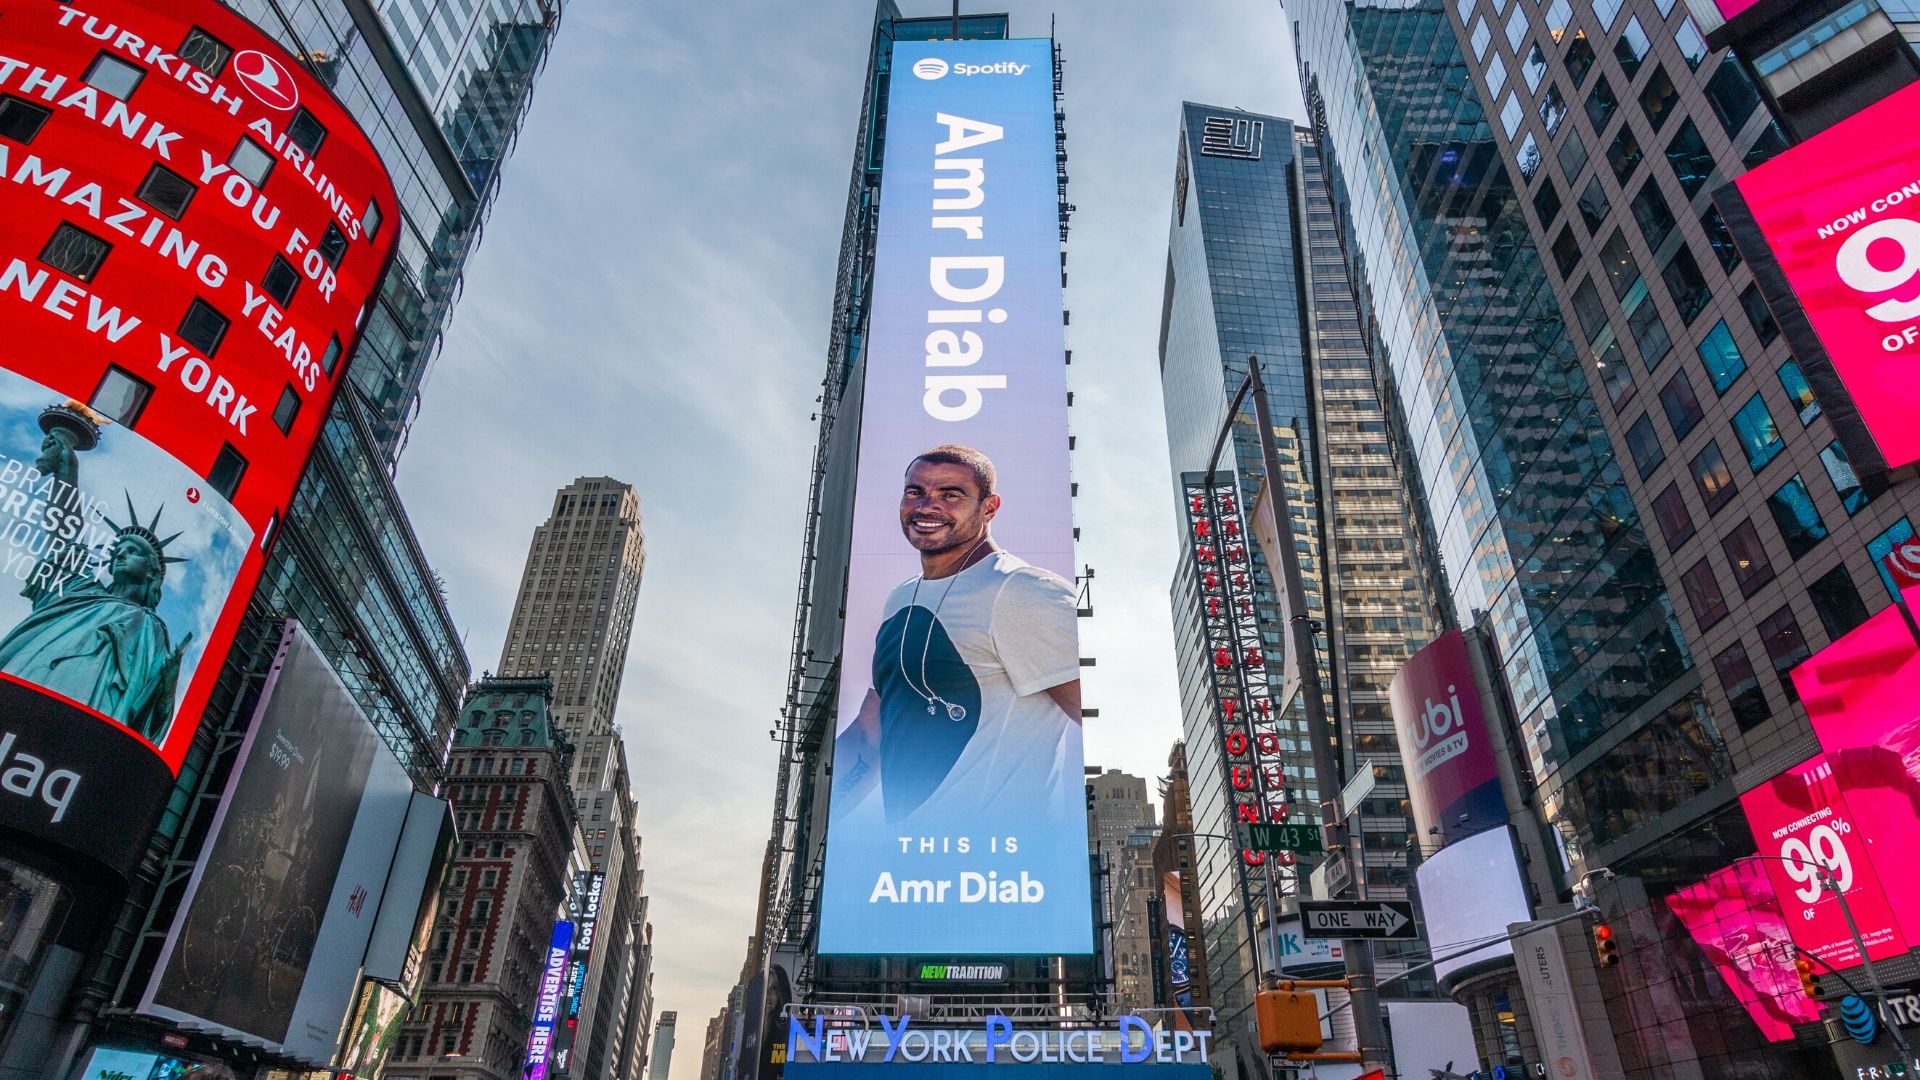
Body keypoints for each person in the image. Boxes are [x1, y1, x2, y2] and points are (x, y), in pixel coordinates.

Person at [834, 444, 1080, 824]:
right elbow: (871, 734)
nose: (927, 506)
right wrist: (813, 823)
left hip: (1005, 863)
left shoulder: (1021, 590)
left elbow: (1094, 713)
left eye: (951, 495)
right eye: (915, 492)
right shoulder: (900, 600)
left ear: (990, 507)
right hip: (912, 865)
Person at [0, 405, 191, 742]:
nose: (119, 554)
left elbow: (149, 714)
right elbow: (65, 535)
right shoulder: (80, 589)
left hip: (86, 710)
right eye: (117, 550)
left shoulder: (150, 628)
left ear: (152, 574)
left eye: (132, 552)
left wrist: (166, 684)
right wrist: (66, 471)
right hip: (28, 676)